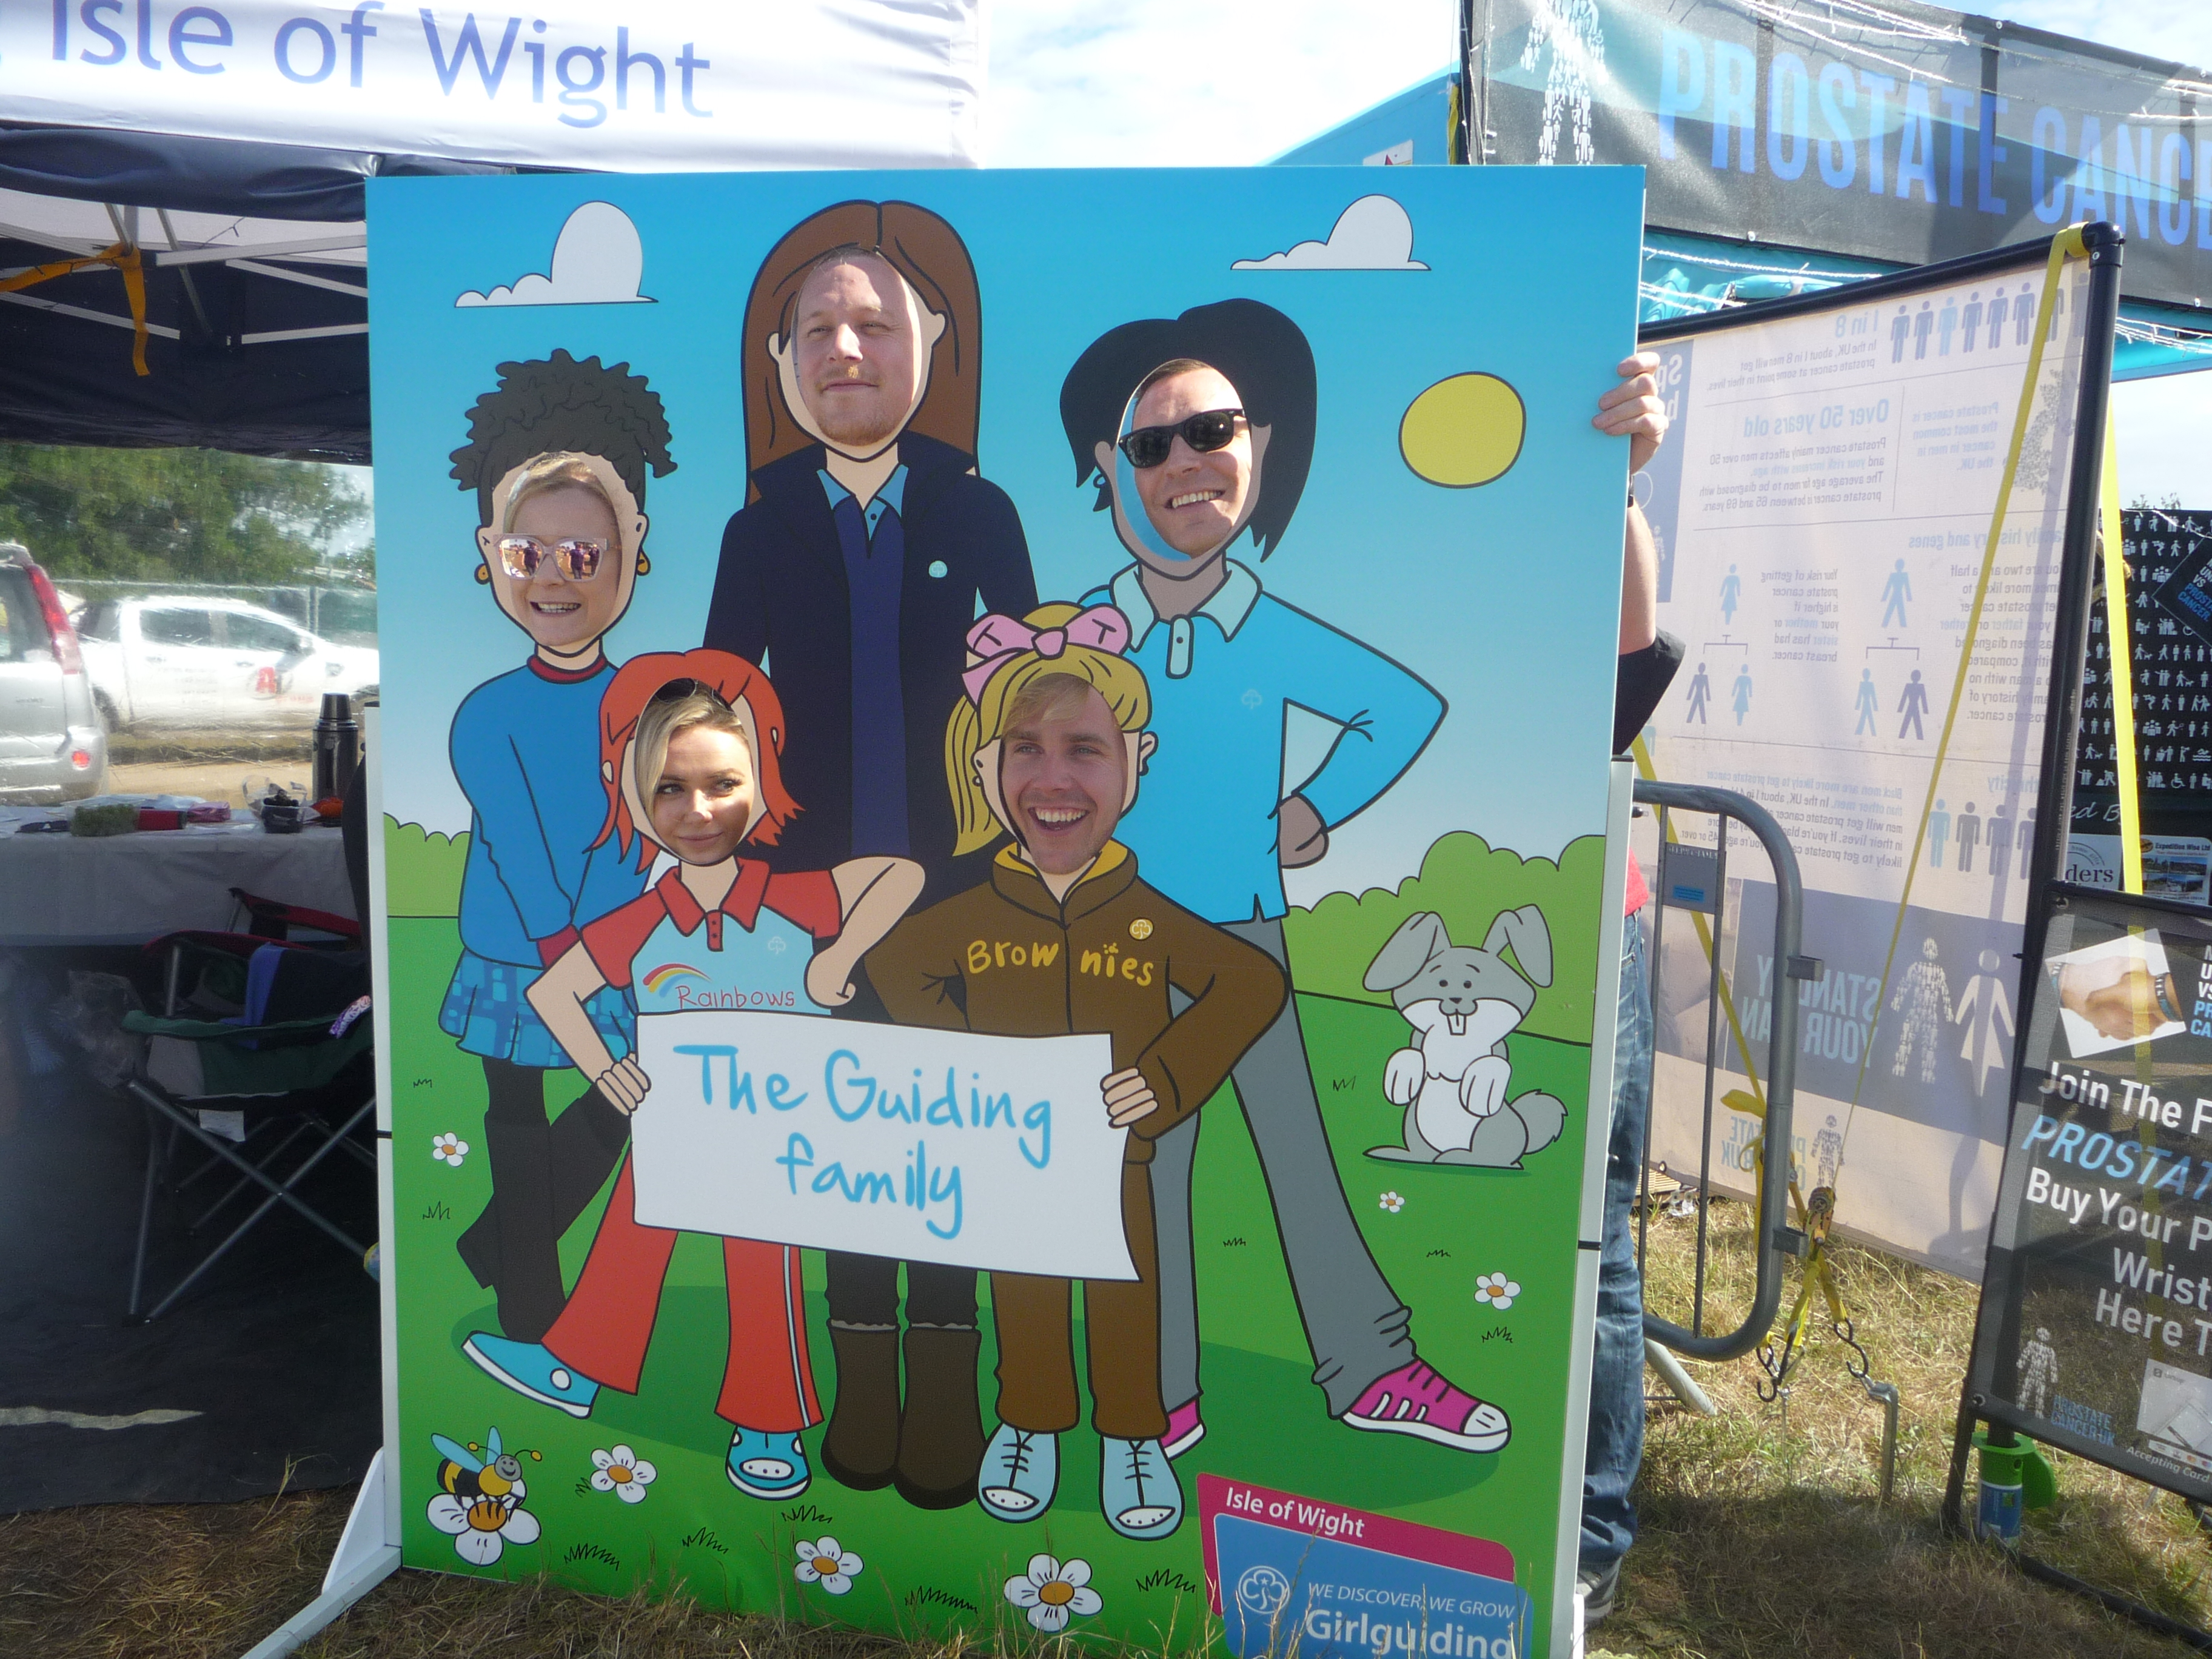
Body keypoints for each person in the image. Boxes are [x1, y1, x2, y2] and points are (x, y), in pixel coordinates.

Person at [1061, 300, 1517, 1461]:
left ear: (1259, 445)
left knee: (1297, 1152)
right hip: (1115, 942)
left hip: (1245, 938)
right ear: (1110, 468)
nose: (1184, 462)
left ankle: (1372, 1366)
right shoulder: (1079, 633)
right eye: (1151, 443)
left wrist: (1312, 808)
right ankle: (1154, 1391)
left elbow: (1400, 707)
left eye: (1211, 430)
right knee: (1144, 1164)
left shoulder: (1264, 627)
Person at [702, 201, 1038, 1508]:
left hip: (957, 891)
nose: (846, 349)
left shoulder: (982, 507)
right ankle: (860, 1388)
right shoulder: (758, 528)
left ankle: (948, 1392)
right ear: (781, 361)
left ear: (931, 344)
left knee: (943, 1144)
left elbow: (1029, 695)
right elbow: (724, 707)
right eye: (817, 330)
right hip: (811, 896)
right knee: (839, 1140)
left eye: (875, 324)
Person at [863, 603, 1286, 1541]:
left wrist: (1166, 1081)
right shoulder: (975, 912)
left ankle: (1134, 1437)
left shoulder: (1143, 913)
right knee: (1025, 1295)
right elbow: (894, 966)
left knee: (1129, 1298)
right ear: (988, 769)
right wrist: (969, 1070)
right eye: (1026, 750)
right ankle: (1029, 1424)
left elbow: (1252, 982)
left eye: (1086, 750)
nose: (1053, 779)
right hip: (1013, 1161)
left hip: (1118, 1161)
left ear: (1137, 763)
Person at [461, 651, 923, 1503]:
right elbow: (554, 991)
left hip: (777, 1132)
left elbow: (901, 875)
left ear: (762, 784)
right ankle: (576, 1367)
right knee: (631, 1236)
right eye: (670, 789)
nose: (699, 811)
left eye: (723, 784)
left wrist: (839, 959)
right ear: (636, 798)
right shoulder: (643, 918)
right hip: (676, 1122)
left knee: (764, 1265)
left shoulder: (791, 898)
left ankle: (771, 1423)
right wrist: (607, 1072)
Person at [441, 351, 674, 1343]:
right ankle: (527, 1299)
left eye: (583, 555)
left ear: (632, 552)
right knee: (514, 1115)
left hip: (612, 947)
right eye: (527, 554)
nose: (553, 579)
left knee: (628, 1097)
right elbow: (516, 843)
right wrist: (554, 944)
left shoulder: (649, 702)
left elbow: (640, 827)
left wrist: (602, 942)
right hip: (513, 948)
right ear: (490, 555)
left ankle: (498, 1241)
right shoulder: (485, 713)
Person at [1580, 348, 1679, 1631]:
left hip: (1583, 919)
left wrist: (1612, 483)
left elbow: (1626, 655)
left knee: (1591, 1233)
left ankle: (1588, 1531)